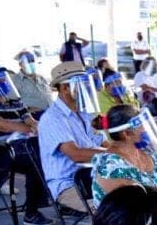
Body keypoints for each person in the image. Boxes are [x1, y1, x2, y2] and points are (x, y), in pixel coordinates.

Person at [0, 67, 53, 225]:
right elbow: (4, 125)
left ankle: (62, 200)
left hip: (23, 147)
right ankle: (32, 212)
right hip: (0, 152)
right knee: (37, 157)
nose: (3, 84)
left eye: (4, 81)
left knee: (52, 154)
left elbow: (29, 119)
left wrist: (37, 126)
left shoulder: (16, 103)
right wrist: (30, 129)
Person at [38, 62, 108, 213]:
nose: (88, 89)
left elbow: (104, 143)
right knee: (108, 210)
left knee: (135, 194)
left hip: (93, 176)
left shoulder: (85, 114)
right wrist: (116, 154)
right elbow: (76, 155)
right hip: (70, 184)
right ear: (64, 88)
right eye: (82, 85)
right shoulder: (52, 118)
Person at [12, 51, 53, 115]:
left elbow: (49, 94)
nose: (31, 63)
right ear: (20, 64)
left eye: (32, 61)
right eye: (28, 61)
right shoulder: (15, 80)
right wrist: (27, 110)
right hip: (34, 116)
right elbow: (12, 102)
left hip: (51, 112)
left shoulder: (41, 78)